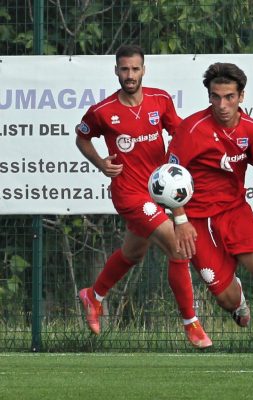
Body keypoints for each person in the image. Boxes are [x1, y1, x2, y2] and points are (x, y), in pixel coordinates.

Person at [75, 44, 211, 349]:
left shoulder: (160, 100)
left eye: (135, 69)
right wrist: (100, 163)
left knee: (133, 254)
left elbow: (179, 135)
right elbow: (81, 137)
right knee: (178, 247)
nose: (129, 75)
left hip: (157, 192)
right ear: (116, 71)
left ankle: (93, 296)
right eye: (124, 69)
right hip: (128, 194)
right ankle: (191, 323)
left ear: (143, 70)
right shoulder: (102, 111)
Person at [167, 62, 253, 369]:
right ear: (209, 96)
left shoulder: (250, 129)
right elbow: (169, 177)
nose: (222, 105)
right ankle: (236, 297)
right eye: (216, 97)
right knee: (226, 299)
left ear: (241, 96)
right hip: (197, 221)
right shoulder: (191, 130)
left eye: (229, 97)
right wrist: (180, 221)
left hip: (235, 212)